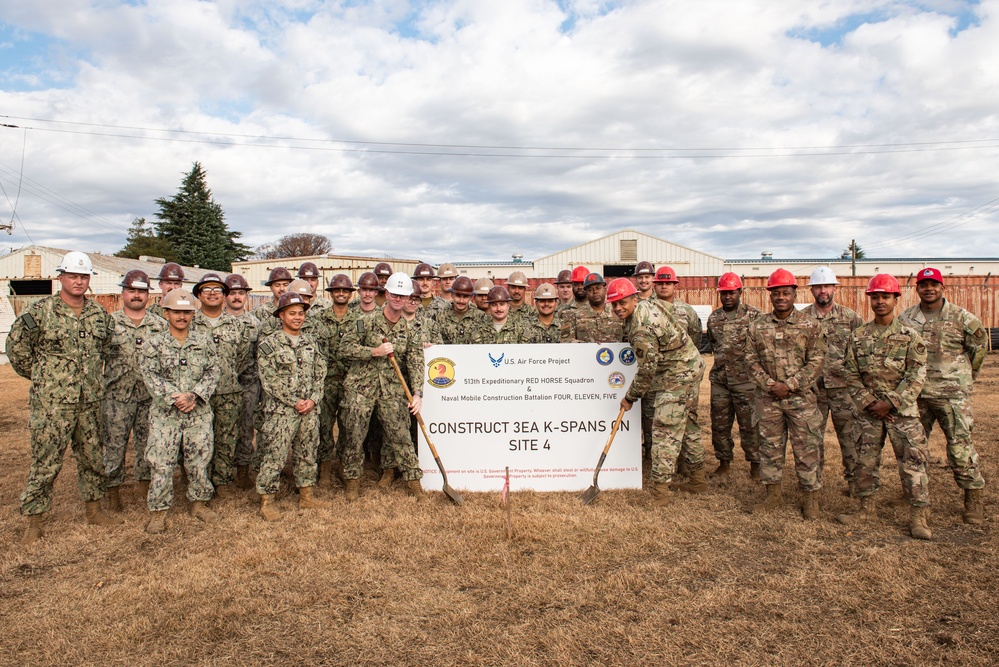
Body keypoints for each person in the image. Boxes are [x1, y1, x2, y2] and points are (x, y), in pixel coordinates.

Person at [7, 251, 121, 543]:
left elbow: (109, 349)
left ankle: (94, 510)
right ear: (61, 278)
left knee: (93, 458)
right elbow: (17, 350)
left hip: (89, 401)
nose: (79, 281)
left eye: (84, 277)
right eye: (73, 276)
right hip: (52, 404)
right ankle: (34, 519)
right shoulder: (40, 312)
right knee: (46, 462)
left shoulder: (98, 315)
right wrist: (44, 378)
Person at [838, 274, 932, 540]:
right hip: (868, 413)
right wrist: (869, 402)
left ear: (895, 299)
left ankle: (918, 516)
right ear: (870, 299)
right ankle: (866, 508)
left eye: (885, 296)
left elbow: (917, 375)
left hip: (901, 414)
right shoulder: (858, 336)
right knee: (865, 462)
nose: (880, 301)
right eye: (875, 296)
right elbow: (850, 373)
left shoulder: (910, 336)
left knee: (913, 463)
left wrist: (889, 402)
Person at [899, 267, 988, 524]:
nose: (929, 289)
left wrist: (962, 377)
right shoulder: (907, 319)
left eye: (934, 284)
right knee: (913, 449)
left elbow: (978, 351)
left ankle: (973, 499)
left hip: (952, 396)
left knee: (960, 448)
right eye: (924, 285)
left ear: (942, 287)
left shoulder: (962, 318)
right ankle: (912, 494)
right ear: (917, 289)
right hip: (917, 396)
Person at [607, 278, 705, 505]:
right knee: (689, 424)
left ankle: (660, 493)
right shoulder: (648, 304)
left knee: (664, 430)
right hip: (690, 366)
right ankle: (698, 481)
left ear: (633, 298)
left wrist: (630, 397)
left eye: (622, 302)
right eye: (613, 304)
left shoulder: (641, 327)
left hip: (677, 374)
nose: (618, 308)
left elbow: (647, 370)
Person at [745, 269, 826, 520]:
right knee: (769, 447)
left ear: (794, 294)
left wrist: (789, 385)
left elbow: (816, 361)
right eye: (776, 293)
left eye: (785, 293)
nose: (781, 297)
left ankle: (810, 498)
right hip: (769, 399)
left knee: (807, 448)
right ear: (770, 295)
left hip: (801, 399)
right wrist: (770, 384)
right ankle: (773, 495)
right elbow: (750, 360)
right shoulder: (757, 326)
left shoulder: (810, 326)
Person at [339, 272, 427, 502]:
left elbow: (416, 362)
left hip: (392, 390)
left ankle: (414, 482)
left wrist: (417, 393)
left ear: (409, 298)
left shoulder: (410, 331)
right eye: (394, 294)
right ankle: (352, 481)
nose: (398, 299)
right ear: (386, 294)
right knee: (354, 434)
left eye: (403, 296)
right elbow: (344, 348)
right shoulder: (365, 321)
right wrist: (373, 352)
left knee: (401, 436)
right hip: (361, 387)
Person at [139, 289, 220, 534]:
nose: (182, 316)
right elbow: (150, 374)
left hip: (197, 412)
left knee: (199, 460)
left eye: (186, 312)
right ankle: (159, 511)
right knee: (161, 463)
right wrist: (175, 398)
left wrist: (194, 395)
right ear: (166, 314)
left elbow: (213, 371)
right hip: (166, 415)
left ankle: (199, 503)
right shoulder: (153, 344)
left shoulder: (204, 342)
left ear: (193, 314)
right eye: (177, 312)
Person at [255, 291, 330, 521]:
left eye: (300, 313)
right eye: (292, 313)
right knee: (274, 455)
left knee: (307, 452)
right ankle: (267, 501)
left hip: (309, 410)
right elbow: (269, 380)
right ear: (281, 315)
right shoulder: (269, 344)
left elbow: (320, 373)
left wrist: (314, 399)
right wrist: (294, 401)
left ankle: (306, 495)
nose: (297, 317)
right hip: (281, 412)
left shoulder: (310, 342)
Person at [103, 269, 167, 511]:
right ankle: (112, 494)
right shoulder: (110, 324)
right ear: (123, 293)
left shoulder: (160, 326)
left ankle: (144, 489)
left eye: (141, 291)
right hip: (116, 397)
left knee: (148, 446)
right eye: (132, 290)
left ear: (148, 295)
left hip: (150, 398)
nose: (137, 295)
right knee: (113, 447)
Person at [191, 273, 252, 498]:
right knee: (200, 441)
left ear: (223, 295)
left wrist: (229, 376)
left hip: (229, 391)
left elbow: (243, 358)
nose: (212, 293)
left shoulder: (236, 325)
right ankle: (201, 484)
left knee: (226, 438)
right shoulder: (191, 323)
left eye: (217, 290)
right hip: (198, 395)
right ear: (199, 295)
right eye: (206, 289)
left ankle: (223, 481)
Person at [802, 266, 863, 492]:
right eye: (818, 286)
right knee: (811, 438)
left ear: (834, 288)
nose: (823, 291)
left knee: (850, 439)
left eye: (827, 286)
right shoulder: (802, 319)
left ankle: (856, 484)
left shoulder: (851, 319)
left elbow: (861, 352)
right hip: (813, 391)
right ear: (812, 290)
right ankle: (813, 484)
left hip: (843, 390)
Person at [651, 265, 703, 486]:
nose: (664, 287)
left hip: (684, 376)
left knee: (687, 421)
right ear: (655, 285)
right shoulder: (647, 309)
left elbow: (695, 340)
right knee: (664, 423)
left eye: (667, 283)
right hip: (658, 376)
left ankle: (692, 472)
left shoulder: (687, 311)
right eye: (660, 283)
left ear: (674, 285)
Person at [706, 272, 761, 480]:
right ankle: (724, 462)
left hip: (746, 381)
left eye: (732, 293)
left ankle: (755, 465)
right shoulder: (714, 318)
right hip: (721, 380)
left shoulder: (755, 316)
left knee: (750, 425)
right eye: (724, 293)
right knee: (720, 424)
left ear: (740, 292)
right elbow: (713, 344)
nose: (728, 297)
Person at [317, 274, 361, 486]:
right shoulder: (320, 319)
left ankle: (343, 466)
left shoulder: (359, 320)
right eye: (337, 290)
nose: (341, 293)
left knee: (347, 426)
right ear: (331, 293)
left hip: (350, 381)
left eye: (345, 290)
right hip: (326, 381)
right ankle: (324, 468)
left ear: (351, 294)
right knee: (324, 426)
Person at [224, 273, 261, 490]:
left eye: (241, 293)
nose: (237, 297)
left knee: (246, 428)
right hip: (221, 386)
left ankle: (243, 473)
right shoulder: (216, 322)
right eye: (232, 293)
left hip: (248, 384)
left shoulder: (254, 323)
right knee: (221, 429)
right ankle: (219, 473)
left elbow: (259, 356)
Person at [560, 273, 624, 343]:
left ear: (605, 290)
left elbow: (629, 337)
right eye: (590, 289)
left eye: (598, 288)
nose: (595, 292)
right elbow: (565, 340)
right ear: (586, 293)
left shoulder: (618, 312)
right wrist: (587, 345)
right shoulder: (573, 315)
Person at [435, 276, 484, 344]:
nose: (461, 301)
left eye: (465, 297)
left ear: (471, 297)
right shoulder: (439, 316)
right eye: (458, 296)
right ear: (452, 295)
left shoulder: (481, 317)